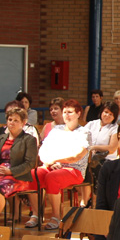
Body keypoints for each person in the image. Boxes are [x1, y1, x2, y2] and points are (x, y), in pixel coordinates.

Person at [33, 99, 89, 230]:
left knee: (52, 177)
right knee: (34, 174)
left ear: (78, 114)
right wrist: (49, 161)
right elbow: (43, 150)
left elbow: (76, 156)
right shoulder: (56, 130)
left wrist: (57, 160)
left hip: (75, 170)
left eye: (70, 112)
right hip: (53, 165)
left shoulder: (84, 132)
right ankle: (36, 215)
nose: (66, 115)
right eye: (64, 112)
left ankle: (56, 217)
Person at [0, 106, 39, 223]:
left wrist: (10, 171)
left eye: (16, 120)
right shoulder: (0, 138)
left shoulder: (29, 140)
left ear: (23, 123)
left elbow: (29, 163)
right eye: (10, 119)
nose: (12, 123)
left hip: (18, 175)